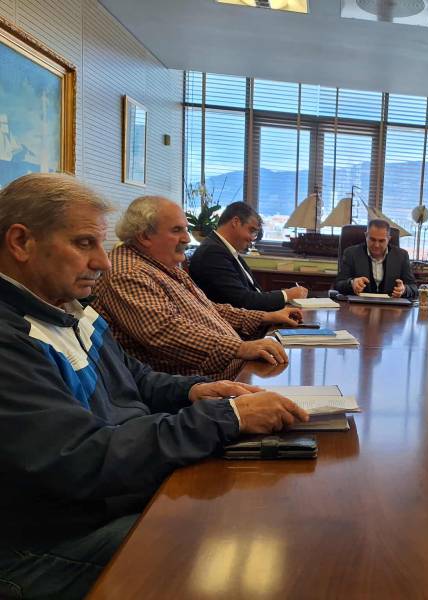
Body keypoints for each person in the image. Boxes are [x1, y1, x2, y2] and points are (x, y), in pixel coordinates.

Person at [0, 173, 309, 599]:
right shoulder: (10, 340)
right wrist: (226, 418)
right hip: (47, 543)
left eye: (100, 244)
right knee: (227, 543)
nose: (103, 262)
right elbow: (82, 458)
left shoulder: (68, 307)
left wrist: (194, 391)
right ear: (20, 242)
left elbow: (135, 376)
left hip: (115, 492)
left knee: (257, 512)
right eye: (84, 244)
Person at [92, 196, 302, 381]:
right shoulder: (129, 273)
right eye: (177, 230)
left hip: (231, 370)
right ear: (145, 236)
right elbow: (165, 332)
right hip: (200, 386)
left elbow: (207, 309)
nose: (187, 238)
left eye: (185, 229)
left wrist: (266, 317)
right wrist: (241, 348)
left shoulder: (161, 265)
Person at [188, 201, 308, 311]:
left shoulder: (226, 250)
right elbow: (243, 301)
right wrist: (287, 295)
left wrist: (284, 295)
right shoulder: (212, 253)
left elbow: (254, 293)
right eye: (251, 231)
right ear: (235, 222)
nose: (252, 238)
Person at [334, 219, 418, 299]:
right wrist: (352, 283)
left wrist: (404, 290)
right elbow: (338, 284)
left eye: (381, 241)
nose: (376, 245)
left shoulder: (402, 256)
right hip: (359, 305)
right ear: (366, 236)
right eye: (372, 239)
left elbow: (414, 288)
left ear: (389, 239)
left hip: (390, 306)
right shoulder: (351, 253)